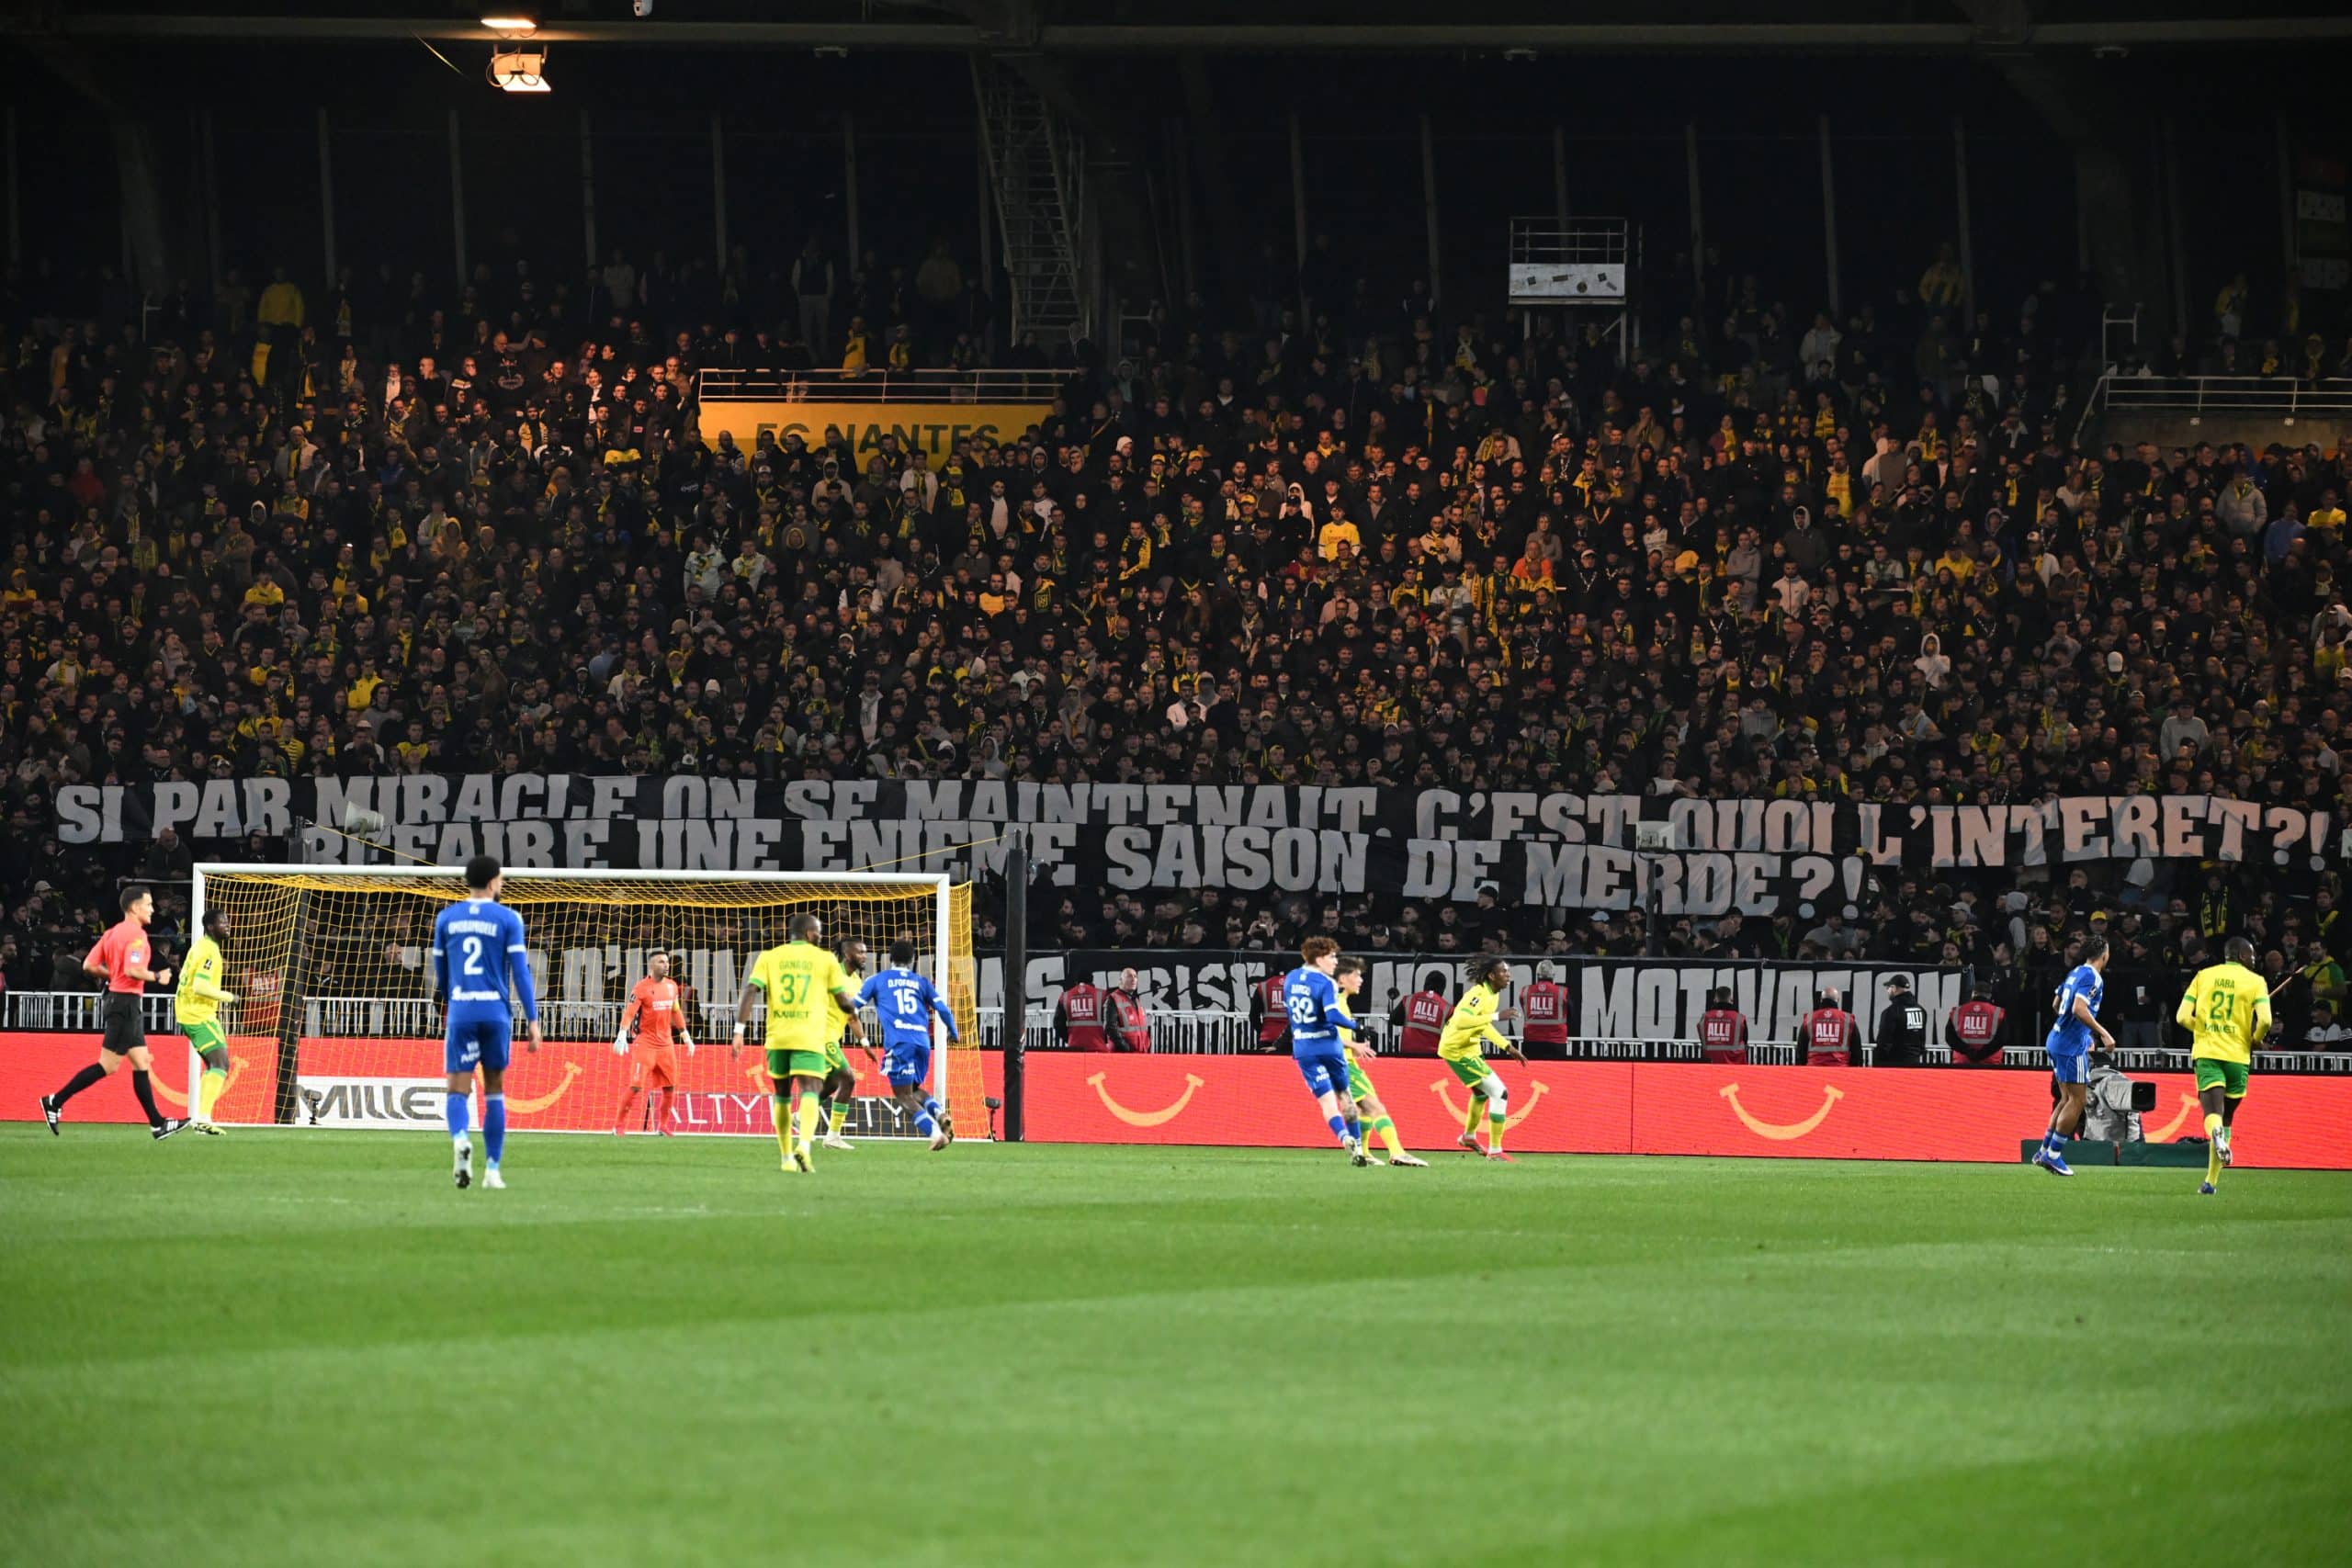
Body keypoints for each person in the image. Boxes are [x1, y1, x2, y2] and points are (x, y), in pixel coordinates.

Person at [430, 855, 542, 1190]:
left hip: (463, 1010)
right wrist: (533, 1020)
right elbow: (520, 973)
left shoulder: (446, 918)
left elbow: (443, 975)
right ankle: (493, 1171)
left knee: (457, 1090)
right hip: (495, 1013)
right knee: (494, 1090)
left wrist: (452, 1002)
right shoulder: (509, 918)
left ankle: (461, 1138)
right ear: (493, 881)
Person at [42, 885, 187, 1140]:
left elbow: (89, 965)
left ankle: (157, 1123)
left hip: (119, 1000)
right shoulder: (136, 935)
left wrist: (114, 974)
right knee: (107, 1066)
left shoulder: (111, 933)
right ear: (134, 907)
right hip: (125, 1004)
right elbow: (132, 971)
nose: (153, 909)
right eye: (149, 904)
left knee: (141, 1062)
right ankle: (55, 1101)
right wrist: (157, 975)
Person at [732, 913, 865, 1175]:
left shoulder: (769, 957)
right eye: (818, 932)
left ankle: (785, 1158)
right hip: (810, 1035)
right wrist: (855, 1006)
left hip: (777, 1036)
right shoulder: (825, 959)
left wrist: (739, 1030)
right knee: (810, 1089)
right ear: (808, 934)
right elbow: (842, 1001)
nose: (821, 936)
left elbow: (750, 990)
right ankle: (804, 1145)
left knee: (781, 1095)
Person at [2176, 936, 2272, 1195]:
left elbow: (2182, 1016)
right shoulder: (2256, 982)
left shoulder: (2203, 976)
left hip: (2208, 1052)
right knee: (2227, 1117)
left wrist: (2204, 1031)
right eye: (2251, 955)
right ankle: (2211, 1182)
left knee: (2212, 1114)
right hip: (2238, 1057)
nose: (2254, 959)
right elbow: (2265, 1021)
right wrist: (2255, 1040)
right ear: (2241, 955)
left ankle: (2215, 1136)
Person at [857, 939, 961, 1151]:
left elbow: (853, 1007)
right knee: (913, 1090)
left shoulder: (876, 980)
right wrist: (953, 1031)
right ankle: (940, 1114)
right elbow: (944, 1010)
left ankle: (934, 1133)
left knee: (903, 1096)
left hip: (899, 1042)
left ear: (890, 958)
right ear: (913, 960)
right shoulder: (922, 982)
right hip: (922, 1042)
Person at [2032, 934, 2114, 1178]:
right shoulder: (2092, 977)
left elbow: (2057, 1004)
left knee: (2066, 1098)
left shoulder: (2076, 971)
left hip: (2056, 1039)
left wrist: (2080, 1030)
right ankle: (2054, 1155)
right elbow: (2079, 1008)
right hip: (2070, 1046)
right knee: (2078, 1101)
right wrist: (2103, 1034)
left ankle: (2044, 1150)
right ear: (2104, 954)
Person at [1283, 936, 1370, 1166]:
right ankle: (1359, 1148)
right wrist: (1357, 1026)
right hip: (1328, 1046)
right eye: (1331, 957)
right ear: (1319, 958)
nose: (1335, 961)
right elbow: (1331, 1015)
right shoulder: (1326, 983)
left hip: (1303, 1046)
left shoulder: (1290, 979)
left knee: (1326, 1102)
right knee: (1345, 1096)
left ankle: (1343, 1138)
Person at [1333, 957, 1425, 1168]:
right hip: (1343, 1067)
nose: (1361, 980)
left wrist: (1355, 1048)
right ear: (1341, 981)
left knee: (1365, 1109)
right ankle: (1397, 1152)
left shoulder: (1341, 1003)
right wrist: (1354, 1046)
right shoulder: (1336, 1004)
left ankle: (1364, 1153)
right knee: (1376, 1108)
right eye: (1356, 975)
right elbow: (1326, 1037)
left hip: (1347, 1064)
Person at [1438, 954, 1524, 1161]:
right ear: (1492, 975)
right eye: (1503, 971)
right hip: (1458, 1049)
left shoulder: (1492, 994)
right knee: (1500, 1093)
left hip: (1469, 1048)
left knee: (1481, 1094)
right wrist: (1497, 1016)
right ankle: (1495, 1151)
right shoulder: (1478, 993)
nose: (1508, 975)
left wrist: (1507, 1046)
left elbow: (1481, 1024)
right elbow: (1460, 1020)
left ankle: (1468, 1136)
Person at [611, 949, 694, 1136]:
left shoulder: (672, 986)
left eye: (666, 962)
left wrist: (686, 1036)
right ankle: (619, 1125)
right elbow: (630, 1012)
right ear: (651, 965)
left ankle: (663, 1126)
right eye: (661, 962)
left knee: (670, 1086)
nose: (666, 965)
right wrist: (622, 1033)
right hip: (646, 1044)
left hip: (666, 1045)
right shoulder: (641, 988)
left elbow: (676, 1011)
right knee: (635, 1085)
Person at [175, 908, 236, 1134]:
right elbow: (199, 986)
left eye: (227, 921)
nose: (227, 925)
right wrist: (229, 997)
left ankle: (203, 1119)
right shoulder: (208, 950)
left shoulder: (204, 947)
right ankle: (202, 1118)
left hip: (195, 1011)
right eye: (222, 922)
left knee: (217, 1064)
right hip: (196, 1013)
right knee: (220, 1063)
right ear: (210, 926)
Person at [818, 939, 874, 1152]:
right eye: (860, 952)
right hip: (820, 1035)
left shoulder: (857, 982)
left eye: (865, 952)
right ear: (848, 954)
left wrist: (865, 1042)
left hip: (833, 1037)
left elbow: (852, 1017)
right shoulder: (832, 974)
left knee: (832, 1083)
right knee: (848, 1079)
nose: (864, 956)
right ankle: (832, 1136)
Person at [1946, 985, 2008, 1066]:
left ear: (1973, 993)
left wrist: (1967, 1051)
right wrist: (1982, 1054)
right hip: (1990, 1061)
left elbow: (1949, 1037)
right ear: (1989, 995)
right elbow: (2002, 1038)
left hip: (1962, 1061)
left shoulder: (1957, 1011)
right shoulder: (1998, 1013)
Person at [1874, 976, 1928, 1066]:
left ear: (1894, 988)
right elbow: (1921, 1037)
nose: (1887, 991)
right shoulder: (1921, 1010)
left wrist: (1879, 1061)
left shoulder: (1891, 1011)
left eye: (1888, 988)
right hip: (1915, 1062)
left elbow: (1884, 1040)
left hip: (1895, 1063)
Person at [1389, 976, 1451, 1056]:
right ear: (1442, 989)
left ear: (1425, 985)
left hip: (1408, 1055)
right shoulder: (1447, 1008)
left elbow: (1394, 1019)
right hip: (1433, 1058)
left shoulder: (1409, 999)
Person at [1521, 962, 1569, 1055]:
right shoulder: (1563, 991)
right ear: (1553, 975)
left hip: (1531, 1041)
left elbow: (1525, 1011)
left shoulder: (1525, 991)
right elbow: (1570, 1014)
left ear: (1537, 975)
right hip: (1557, 1042)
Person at [1800, 989, 1856, 1067]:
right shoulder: (1848, 1019)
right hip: (1841, 1069)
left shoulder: (1809, 1019)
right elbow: (1856, 1049)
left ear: (1821, 1000)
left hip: (1813, 1069)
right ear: (1838, 1000)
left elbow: (1801, 1049)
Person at [1055, 975, 1110, 1051]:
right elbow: (1111, 1022)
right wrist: (1105, 1039)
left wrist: (1068, 1038)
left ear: (1076, 981)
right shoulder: (1102, 995)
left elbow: (1058, 1024)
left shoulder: (1065, 996)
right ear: (1092, 980)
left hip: (1074, 1046)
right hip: (1098, 1047)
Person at [1698, 987, 1748, 1063]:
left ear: (1715, 1000)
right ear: (1731, 1000)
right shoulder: (1739, 1018)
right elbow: (1745, 1041)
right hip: (1736, 1067)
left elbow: (1703, 1040)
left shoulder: (1705, 1018)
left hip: (1710, 1066)